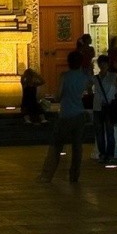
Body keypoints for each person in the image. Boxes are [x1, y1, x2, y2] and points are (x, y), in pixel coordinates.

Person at [40, 52, 93, 183]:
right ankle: (74, 175)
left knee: (56, 145)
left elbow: (58, 95)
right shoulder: (84, 77)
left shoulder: (65, 76)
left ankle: (47, 175)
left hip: (66, 114)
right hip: (79, 114)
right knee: (77, 147)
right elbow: (88, 90)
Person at [92, 54, 117, 163]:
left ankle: (110, 154)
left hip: (109, 106)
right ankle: (102, 154)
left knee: (110, 132)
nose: (103, 65)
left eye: (105, 63)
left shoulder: (113, 76)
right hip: (98, 107)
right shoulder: (95, 78)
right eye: (101, 63)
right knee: (99, 132)